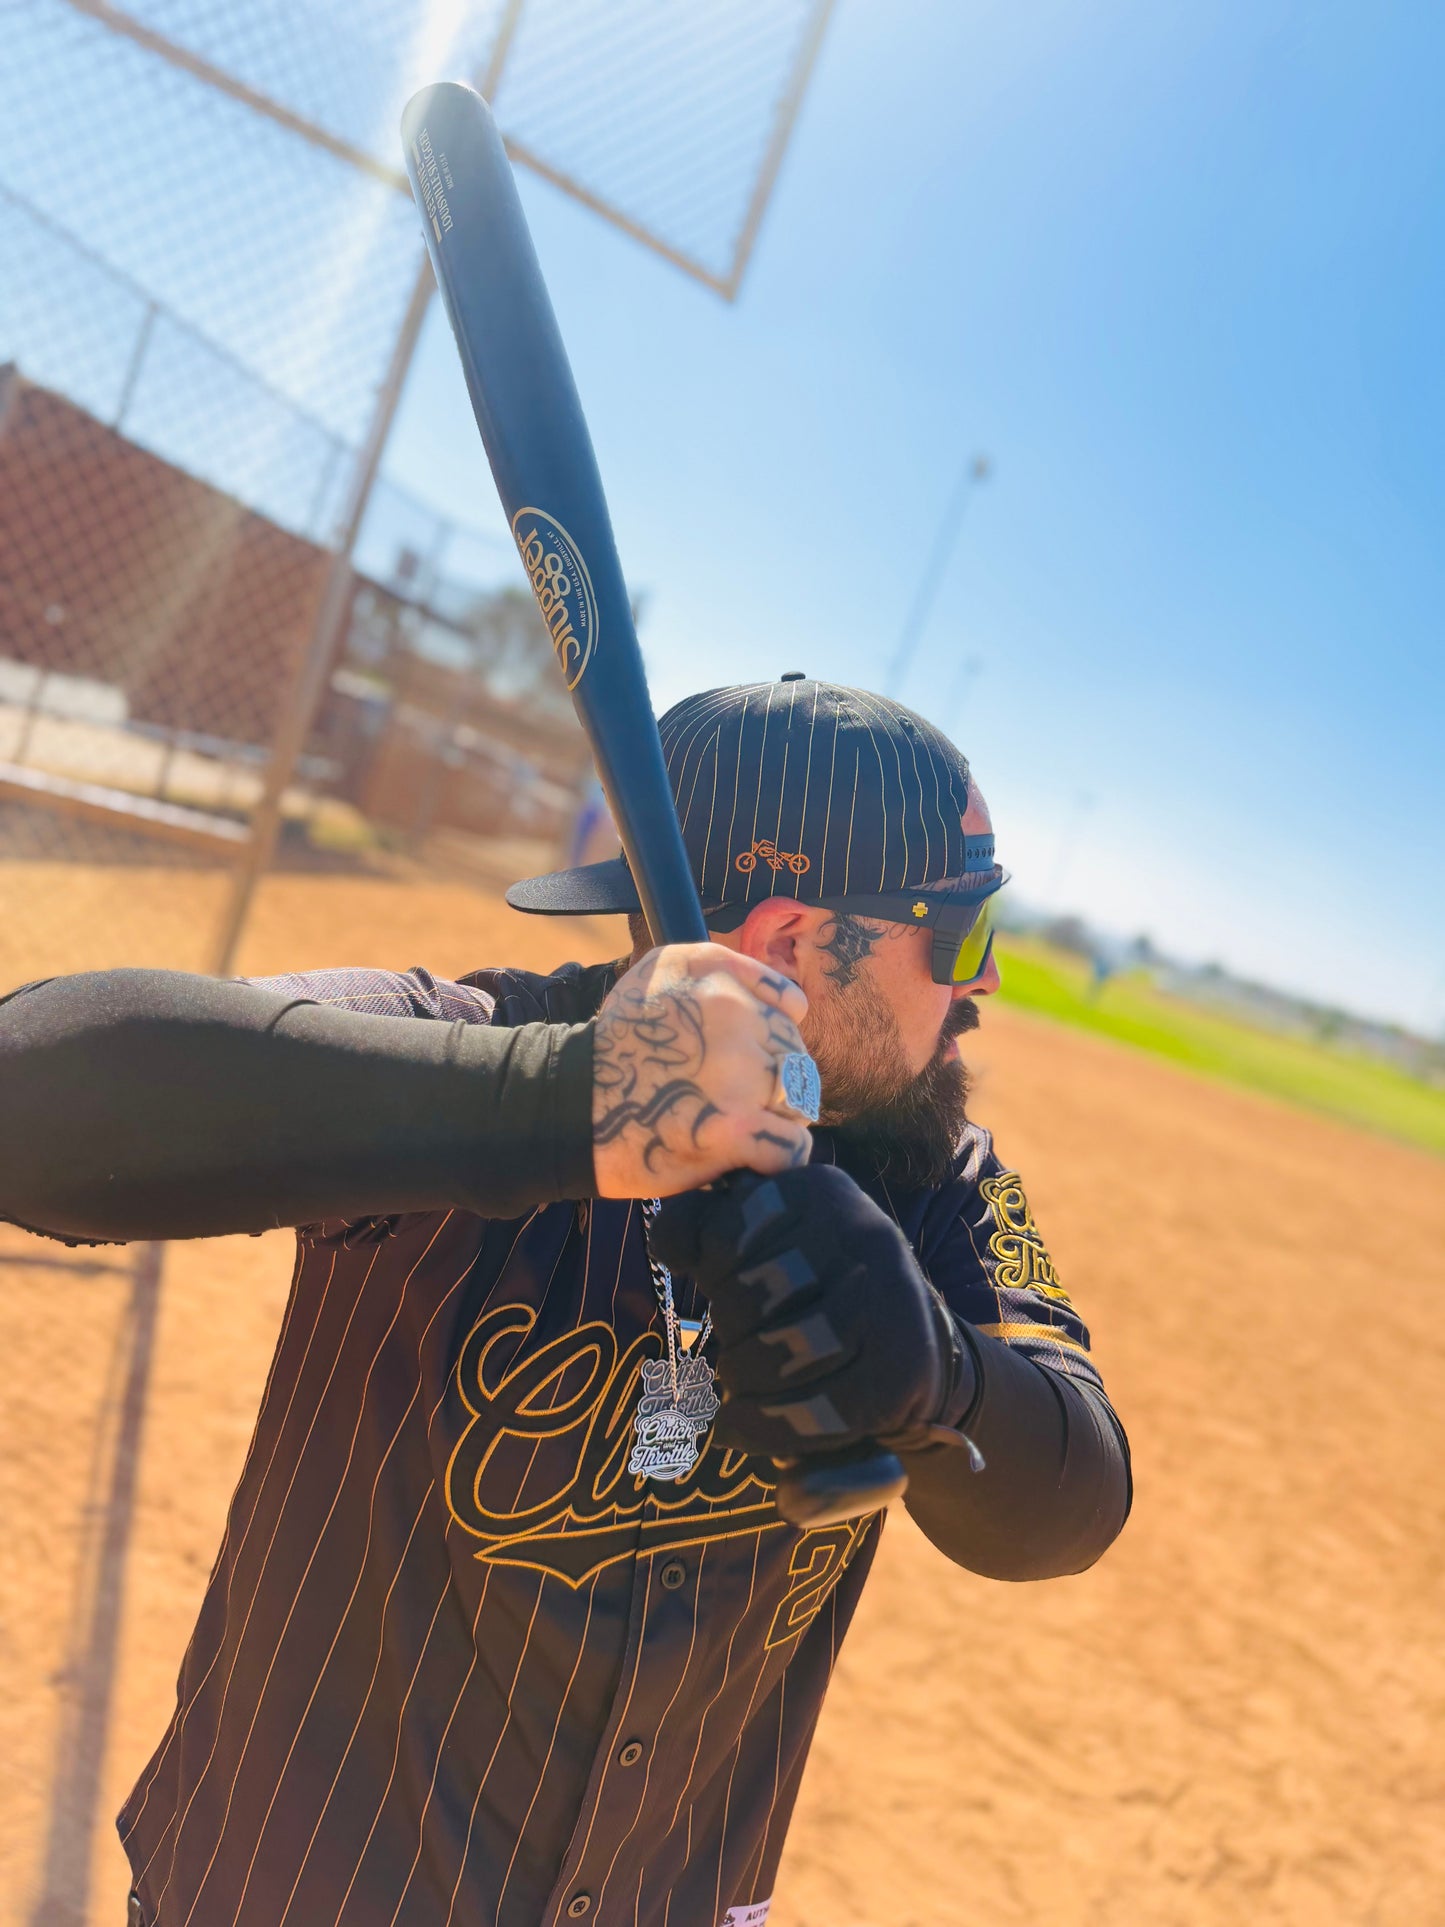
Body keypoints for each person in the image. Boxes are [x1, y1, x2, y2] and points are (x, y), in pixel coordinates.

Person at [0, 676, 1130, 1926]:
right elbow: (32, 1093)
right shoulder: (483, 1045)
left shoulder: (929, 1177)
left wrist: (939, 1379)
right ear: (790, 943)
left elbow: (1070, 1502)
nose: (982, 986)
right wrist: (566, 1100)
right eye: (958, 936)